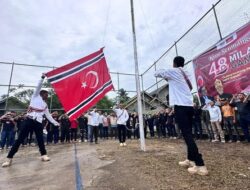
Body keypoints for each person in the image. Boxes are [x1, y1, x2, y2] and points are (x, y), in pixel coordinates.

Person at [155, 56, 208, 175]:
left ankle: (200, 165)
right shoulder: (186, 72)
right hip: (189, 107)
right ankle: (190, 160)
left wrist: (165, 73)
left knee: (187, 135)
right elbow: (176, 82)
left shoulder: (173, 71)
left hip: (180, 107)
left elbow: (156, 73)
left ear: (174, 63)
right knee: (188, 134)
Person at [2, 74, 60, 167]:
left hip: (38, 123)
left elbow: (48, 116)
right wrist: (42, 78)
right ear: (41, 93)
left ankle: (43, 155)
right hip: (29, 121)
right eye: (46, 94)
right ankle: (9, 159)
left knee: (40, 139)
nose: (47, 96)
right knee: (20, 139)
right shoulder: (35, 96)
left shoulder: (45, 105)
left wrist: (56, 123)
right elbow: (38, 86)